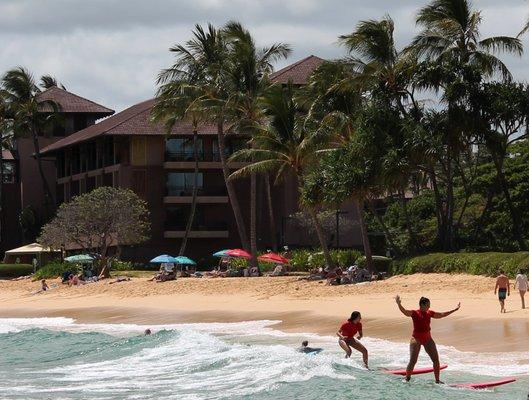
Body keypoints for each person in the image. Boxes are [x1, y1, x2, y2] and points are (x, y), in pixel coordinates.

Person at [395, 295, 460, 384]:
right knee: (413, 361)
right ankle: (407, 379)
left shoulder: (429, 313)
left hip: (428, 339)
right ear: (422, 305)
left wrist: (454, 310)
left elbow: (441, 315)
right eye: (428, 305)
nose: (429, 307)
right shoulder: (415, 313)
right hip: (416, 340)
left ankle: (437, 380)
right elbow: (405, 312)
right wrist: (399, 304)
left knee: (436, 360)